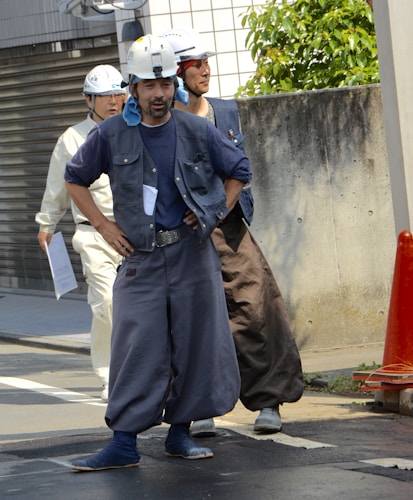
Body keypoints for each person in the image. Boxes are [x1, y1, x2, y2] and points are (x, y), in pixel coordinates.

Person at [64, 34, 251, 471]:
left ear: (174, 85)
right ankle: (124, 442)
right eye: (149, 86)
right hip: (142, 259)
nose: (159, 94)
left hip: (192, 254)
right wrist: (105, 227)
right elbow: (76, 179)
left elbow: (239, 171)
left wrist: (212, 212)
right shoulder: (110, 133)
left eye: (165, 83)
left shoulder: (197, 128)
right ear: (133, 88)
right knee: (136, 345)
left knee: (195, 344)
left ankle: (180, 434)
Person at [162, 28, 304, 436]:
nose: (206, 70)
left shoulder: (224, 111)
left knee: (256, 307)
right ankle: (199, 406)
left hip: (229, 227)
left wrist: (219, 209)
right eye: (196, 65)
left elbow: (239, 169)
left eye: (207, 62)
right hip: (183, 235)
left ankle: (269, 400)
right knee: (193, 319)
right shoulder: (162, 119)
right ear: (176, 73)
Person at [35, 65, 127, 401]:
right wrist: (47, 224)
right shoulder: (72, 139)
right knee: (107, 301)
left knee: (139, 306)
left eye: (118, 93)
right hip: (94, 234)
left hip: (136, 234)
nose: (113, 101)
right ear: (89, 100)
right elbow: (59, 187)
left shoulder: (136, 130)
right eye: (104, 96)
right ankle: (110, 375)